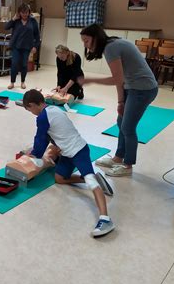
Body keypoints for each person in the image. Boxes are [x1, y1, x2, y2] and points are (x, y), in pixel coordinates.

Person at [22, 89, 115, 238]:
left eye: (29, 109)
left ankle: (105, 219)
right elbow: (53, 135)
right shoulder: (53, 109)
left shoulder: (42, 117)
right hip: (67, 152)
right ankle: (91, 178)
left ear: (33, 105)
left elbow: (40, 140)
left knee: (91, 182)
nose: (31, 112)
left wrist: (34, 156)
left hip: (79, 151)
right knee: (59, 179)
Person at [78, 24, 158, 177]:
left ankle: (128, 166)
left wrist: (92, 80)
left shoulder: (111, 48)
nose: (85, 45)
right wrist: (121, 102)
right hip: (132, 87)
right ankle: (118, 158)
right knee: (121, 123)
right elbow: (120, 80)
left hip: (143, 89)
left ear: (96, 38)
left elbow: (117, 79)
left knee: (128, 127)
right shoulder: (112, 44)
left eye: (86, 41)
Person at [5, 3, 40, 90]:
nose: (24, 14)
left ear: (29, 12)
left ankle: (22, 82)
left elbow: (37, 36)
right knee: (14, 63)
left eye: (26, 12)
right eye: (22, 13)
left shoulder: (33, 21)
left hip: (27, 47)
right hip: (16, 46)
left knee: (24, 65)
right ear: (19, 13)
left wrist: (35, 46)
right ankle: (12, 82)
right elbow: (6, 27)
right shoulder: (16, 21)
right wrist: (13, 19)